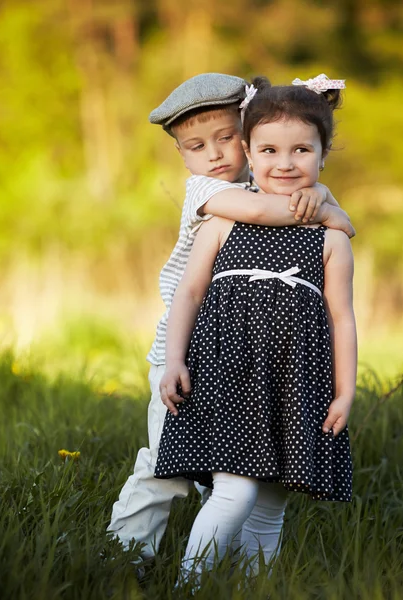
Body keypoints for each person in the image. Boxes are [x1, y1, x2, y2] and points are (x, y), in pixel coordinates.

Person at [107, 73, 355, 562]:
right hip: (183, 354)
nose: (215, 154)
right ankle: (125, 555)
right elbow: (269, 213)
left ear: (245, 138)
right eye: (198, 145)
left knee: (225, 473)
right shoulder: (206, 192)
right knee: (166, 468)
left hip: (243, 357)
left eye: (225, 139)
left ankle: (227, 564)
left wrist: (321, 197)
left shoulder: (261, 175)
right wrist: (327, 207)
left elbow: (283, 189)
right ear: (183, 155)